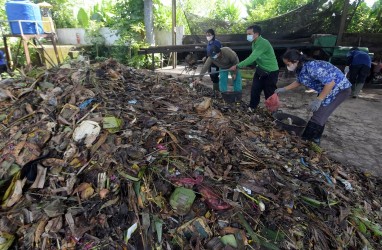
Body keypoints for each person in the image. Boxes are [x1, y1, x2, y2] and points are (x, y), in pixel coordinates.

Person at [275, 49, 351, 145]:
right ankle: (316, 139)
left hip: (340, 90)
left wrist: (319, 100)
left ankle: (307, 141)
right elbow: (300, 81)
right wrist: (284, 89)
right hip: (329, 90)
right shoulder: (301, 68)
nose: (288, 67)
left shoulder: (312, 67)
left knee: (318, 116)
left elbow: (330, 83)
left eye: (288, 64)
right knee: (320, 114)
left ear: (295, 61)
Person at [229, 25, 279, 110]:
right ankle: (252, 108)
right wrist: (247, 65)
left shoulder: (263, 43)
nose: (247, 36)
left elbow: (252, 57)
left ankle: (273, 112)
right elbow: (254, 59)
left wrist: (238, 65)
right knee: (255, 90)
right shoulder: (254, 43)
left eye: (249, 34)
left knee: (269, 93)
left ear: (256, 34)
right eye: (247, 34)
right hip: (260, 70)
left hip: (271, 72)